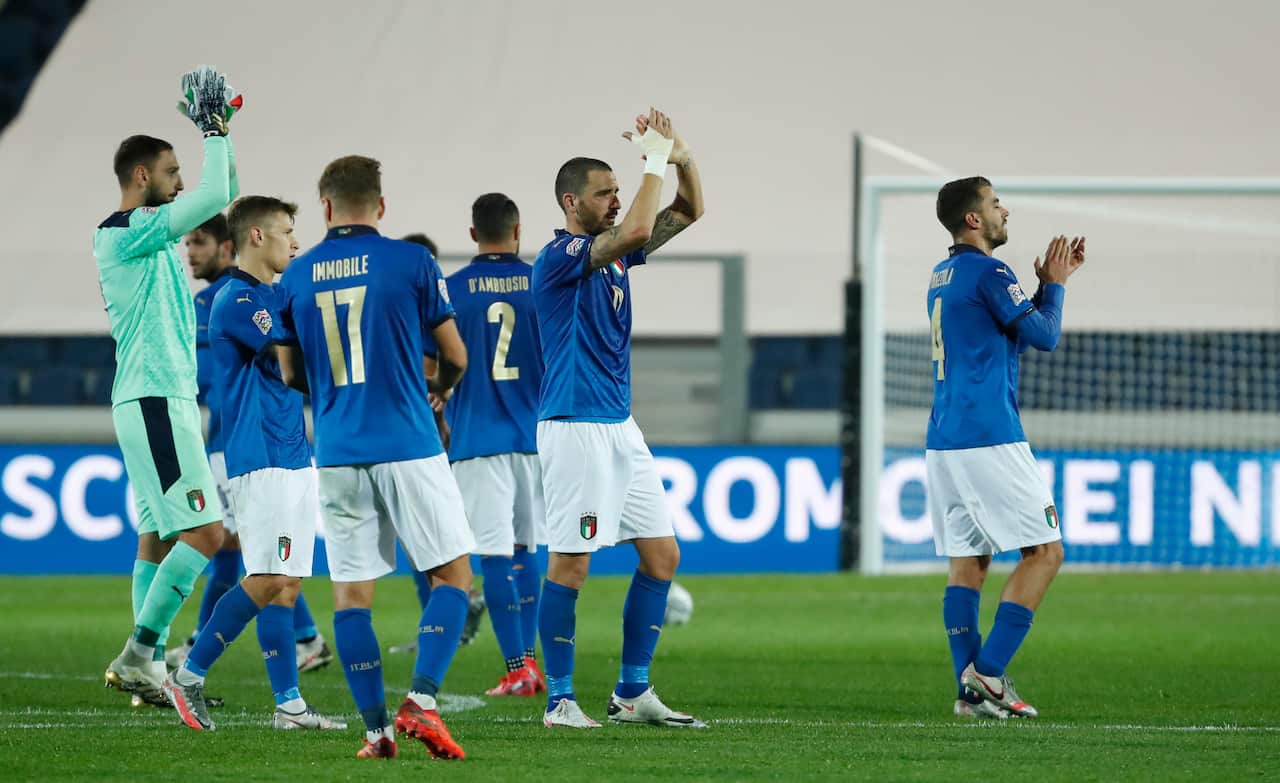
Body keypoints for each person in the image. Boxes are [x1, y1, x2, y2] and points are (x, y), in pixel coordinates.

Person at [276, 155, 474, 760]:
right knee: (453, 577)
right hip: (409, 442)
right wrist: (436, 388)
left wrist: (338, 397)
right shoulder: (413, 261)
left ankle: (375, 731)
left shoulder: (296, 273)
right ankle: (423, 701)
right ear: (381, 206)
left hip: (335, 449)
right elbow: (456, 355)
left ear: (326, 207)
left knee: (351, 597)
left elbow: (290, 374)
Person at [532, 108, 705, 729]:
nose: (616, 201)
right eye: (605, 192)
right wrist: (652, 161)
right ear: (571, 200)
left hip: (618, 426)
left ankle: (632, 693)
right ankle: (559, 701)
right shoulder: (560, 256)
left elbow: (688, 212)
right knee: (571, 564)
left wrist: (680, 157)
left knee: (662, 556)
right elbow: (634, 230)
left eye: (617, 190)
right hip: (575, 426)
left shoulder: (612, 258)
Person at [164, 196, 346, 732]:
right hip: (258, 454)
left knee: (286, 584)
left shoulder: (273, 293)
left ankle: (289, 706)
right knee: (266, 577)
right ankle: (189, 676)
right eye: (288, 231)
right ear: (258, 237)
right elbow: (295, 367)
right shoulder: (238, 300)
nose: (296, 241)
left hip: (291, 451)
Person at [98, 67, 241, 706]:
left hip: (153, 397)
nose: (180, 182)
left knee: (157, 535)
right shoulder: (127, 232)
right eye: (171, 170)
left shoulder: (144, 236)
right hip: (156, 399)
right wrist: (212, 132)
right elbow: (217, 197)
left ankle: (146, 667)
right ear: (140, 178)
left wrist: (221, 138)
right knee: (207, 533)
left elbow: (219, 193)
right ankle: (138, 655)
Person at [926, 176, 1084, 719]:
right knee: (1046, 552)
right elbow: (1044, 336)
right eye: (994, 204)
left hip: (944, 439)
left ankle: (969, 696)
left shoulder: (943, 273)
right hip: (989, 435)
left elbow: (1006, 331)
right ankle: (987, 674)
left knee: (969, 561)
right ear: (974, 219)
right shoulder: (991, 270)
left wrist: (1037, 290)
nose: (1003, 211)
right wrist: (1057, 286)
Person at [430, 193, 547, 696]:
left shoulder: (451, 290)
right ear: (517, 231)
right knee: (528, 549)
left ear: (473, 233)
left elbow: (432, 369)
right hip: (538, 438)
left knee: (494, 555)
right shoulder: (544, 284)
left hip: (477, 440)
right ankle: (532, 663)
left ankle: (517, 666)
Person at [390, 231, 488, 656]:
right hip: (440, 437)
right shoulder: (430, 309)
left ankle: (449, 615)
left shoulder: (416, 315)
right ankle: (454, 611)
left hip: (425, 441)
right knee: (431, 538)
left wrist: (441, 426)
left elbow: (432, 380)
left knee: (423, 540)